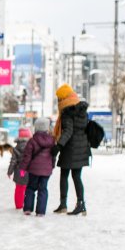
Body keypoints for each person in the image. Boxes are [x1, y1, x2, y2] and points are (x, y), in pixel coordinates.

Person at [51, 84, 90, 215]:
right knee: (77, 176)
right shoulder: (81, 111)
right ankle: (81, 204)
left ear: (63, 98)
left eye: (59, 99)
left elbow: (68, 131)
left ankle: (63, 204)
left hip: (70, 148)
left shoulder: (68, 111)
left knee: (64, 175)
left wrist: (58, 146)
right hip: (81, 148)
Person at [18, 117, 55, 216]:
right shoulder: (52, 141)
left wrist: (23, 168)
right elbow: (53, 155)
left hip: (34, 170)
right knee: (43, 189)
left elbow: (27, 157)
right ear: (47, 128)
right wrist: (52, 166)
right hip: (46, 170)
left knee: (30, 188)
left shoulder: (32, 141)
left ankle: (28, 209)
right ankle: (41, 211)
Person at [7, 127, 31, 209]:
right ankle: (28, 205)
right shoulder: (32, 147)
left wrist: (9, 172)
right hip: (29, 171)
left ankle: (18, 205)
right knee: (28, 189)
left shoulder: (16, 148)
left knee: (19, 189)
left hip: (19, 171)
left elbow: (13, 161)